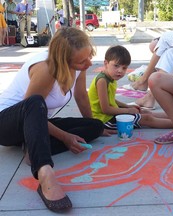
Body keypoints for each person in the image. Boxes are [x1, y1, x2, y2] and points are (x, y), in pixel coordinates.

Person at [0, 27, 108, 212]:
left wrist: (93, 124)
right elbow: (32, 111)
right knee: (35, 102)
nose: (88, 63)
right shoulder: (46, 68)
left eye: (89, 56)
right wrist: (65, 137)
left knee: (95, 127)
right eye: (82, 61)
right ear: (64, 60)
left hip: (36, 124)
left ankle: (32, 147)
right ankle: (44, 173)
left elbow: (81, 96)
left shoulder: (79, 65)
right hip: (6, 124)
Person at [88, 45, 173, 130]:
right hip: (105, 120)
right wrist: (128, 111)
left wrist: (127, 106)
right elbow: (106, 109)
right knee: (147, 119)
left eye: (124, 68)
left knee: (144, 112)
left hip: (109, 115)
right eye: (116, 66)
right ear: (106, 63)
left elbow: (110, 100)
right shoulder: (102, 81)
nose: (120, 71)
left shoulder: (110, 78)